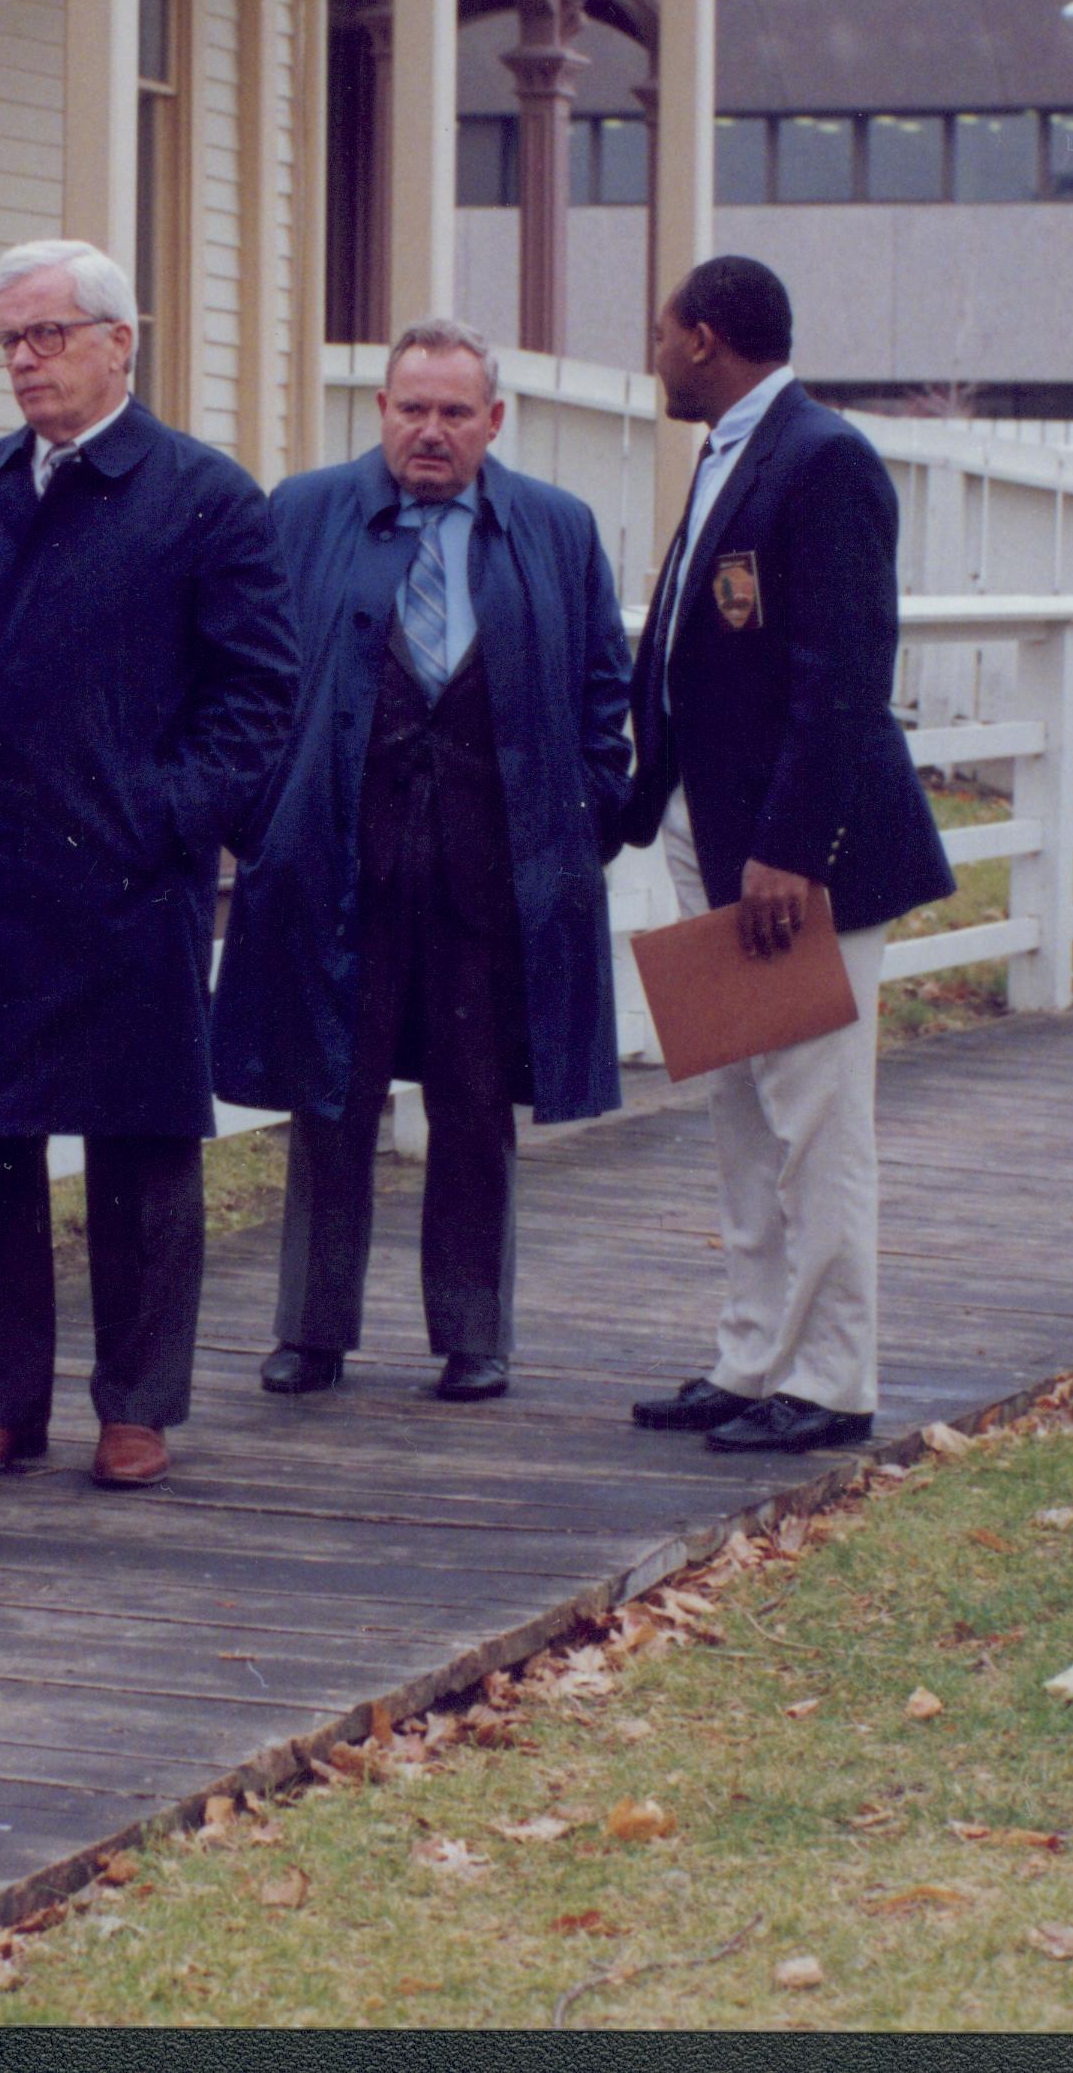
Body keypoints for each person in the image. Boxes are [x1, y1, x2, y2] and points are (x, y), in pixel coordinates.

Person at [0, 239, 298, 1490]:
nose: (25, 363)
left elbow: (259, 697)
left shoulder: (205, 497)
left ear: (121, 339)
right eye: (7, 341)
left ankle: (137, 1406)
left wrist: (167, 817)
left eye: (47, 335)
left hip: (122, 882)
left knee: (142, 1151)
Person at [212, 318, 634, 1404]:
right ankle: (311, 1331)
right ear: (381, 412)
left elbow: (602, 688)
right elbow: (243, 673)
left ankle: (473, 1334)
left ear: (494, 421)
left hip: (489, 876)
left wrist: (583, 819)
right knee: (329, 1094)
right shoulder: (301, 513)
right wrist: (261, 812)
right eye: (412, 409)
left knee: (475, 1100)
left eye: (455, 412)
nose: (431, 432)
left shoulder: (556, 527)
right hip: (334, 862)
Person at [624, 255, 954, 1457]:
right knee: (743, 1114)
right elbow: (686, 651)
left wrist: (787, 849)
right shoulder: (726, 452)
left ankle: (829, 1378)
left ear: (704, 338)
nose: (652, 353)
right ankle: (751, 1355)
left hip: (794, 854)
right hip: (708, 831)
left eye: (661, 334)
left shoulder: (822, 460)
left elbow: (844, 675)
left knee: (816, 1120)